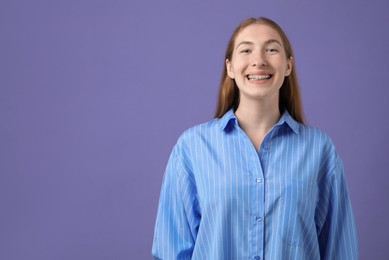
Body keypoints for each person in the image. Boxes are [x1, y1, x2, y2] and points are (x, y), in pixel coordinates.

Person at [152, 17, 358, 259]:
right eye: (246, 50)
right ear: (230, 67)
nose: (259, 60)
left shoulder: (320, 150)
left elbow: (340, 250)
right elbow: (170, 251)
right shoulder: (192, 148)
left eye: (271, 49)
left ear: (288, 66)